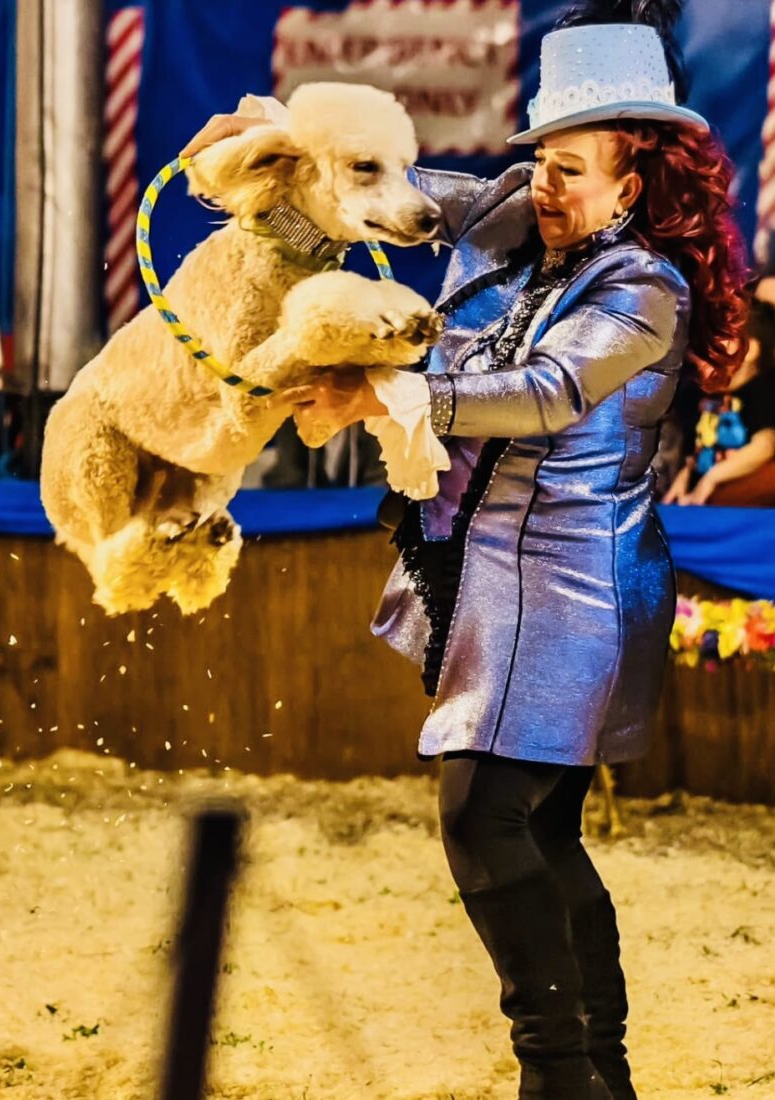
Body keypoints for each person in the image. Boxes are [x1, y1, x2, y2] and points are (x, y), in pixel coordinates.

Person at [183, 2, 748, 1096]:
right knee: (543, 829)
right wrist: (271, 142)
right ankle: (601, 1071)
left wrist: (383, 388)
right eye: (541, 158)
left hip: (574, 587)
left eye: (573, 169)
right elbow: (382, 192)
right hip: (491, 576)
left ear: (631, 184)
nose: (545, 183)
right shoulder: (509, 216)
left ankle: (557, 1076)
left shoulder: (642, 289)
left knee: (483, 818)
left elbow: (542, 393)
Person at [664, 295, 775, 505]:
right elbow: (697, 450)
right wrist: (685, 478)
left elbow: (765, 446)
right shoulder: (704, 396)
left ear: (750, 350)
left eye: (722, 338)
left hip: (735, 493)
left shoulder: (760, 390)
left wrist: (712, 478)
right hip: (700, 497)